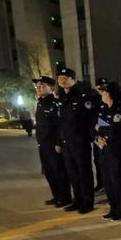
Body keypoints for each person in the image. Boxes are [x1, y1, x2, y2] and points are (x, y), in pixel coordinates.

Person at [56, 68, 96, 214]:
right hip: (66, 143)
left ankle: (87, 202)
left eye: (66, 77)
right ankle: (77, 200)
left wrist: (91, 137)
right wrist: (59, 141)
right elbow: (61, 123)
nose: (62, 80)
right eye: (60, 78)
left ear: (73, 79)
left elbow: (92, 119)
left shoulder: (82, 96)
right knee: (72, 173)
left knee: (83, 172)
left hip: (80, 142)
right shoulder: (61, 98)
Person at [95, 80, 121, 221]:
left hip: (116, 151)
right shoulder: (103, 108)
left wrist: (102, 128)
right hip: (103, 149)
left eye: (105, 92)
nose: (103, 94)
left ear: (111, 94)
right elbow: (96, 127)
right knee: (107, 182)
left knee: (117, 181)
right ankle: (113, 208)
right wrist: (98, 136)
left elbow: (116, 129)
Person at [33, 76, 71, 207]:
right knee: (49, 171)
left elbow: (60, 125)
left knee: (58, 171)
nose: (39, 88)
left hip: (53, 144)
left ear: (52, 88)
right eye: (37, 86)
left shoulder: (55, 104)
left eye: (42, 85)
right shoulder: (40, 103)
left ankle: (65, 197)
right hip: (42, 143)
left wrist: (58, 142)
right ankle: (57, 196)